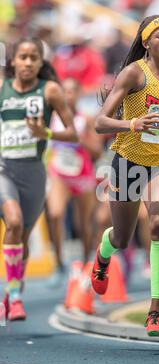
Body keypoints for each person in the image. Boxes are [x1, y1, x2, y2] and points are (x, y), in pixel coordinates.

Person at [90, 15, 159, 337]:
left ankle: (155, 311)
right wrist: (132, 124)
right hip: (128, 162)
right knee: (122, 238)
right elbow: (100, 122)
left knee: (157, 223)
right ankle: (103, 254)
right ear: (147, 42)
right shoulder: (133, 74)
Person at [0, 36, 78, 320]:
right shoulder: (2, 88)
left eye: (34, 57)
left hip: (33, 172)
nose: (28, 62)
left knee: (22, 237)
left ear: (41, 62)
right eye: (23, 57)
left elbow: (73, 134)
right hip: (3, 169)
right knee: (14, 221)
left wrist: (45, 133)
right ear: (13, 61)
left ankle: (11, 293)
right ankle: (17, 298)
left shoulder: (50, 91)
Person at [46, 77, 102, 287]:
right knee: (55, 214)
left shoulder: (85, 120)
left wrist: (79, 138)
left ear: (78, 94)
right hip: (59, 173)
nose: (68, 95)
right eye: (64, 91)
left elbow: (97, 150)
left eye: (72, 91)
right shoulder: (51, 118)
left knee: (84, 224)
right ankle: (59, 264)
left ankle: (87, 263)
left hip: (82, 174)